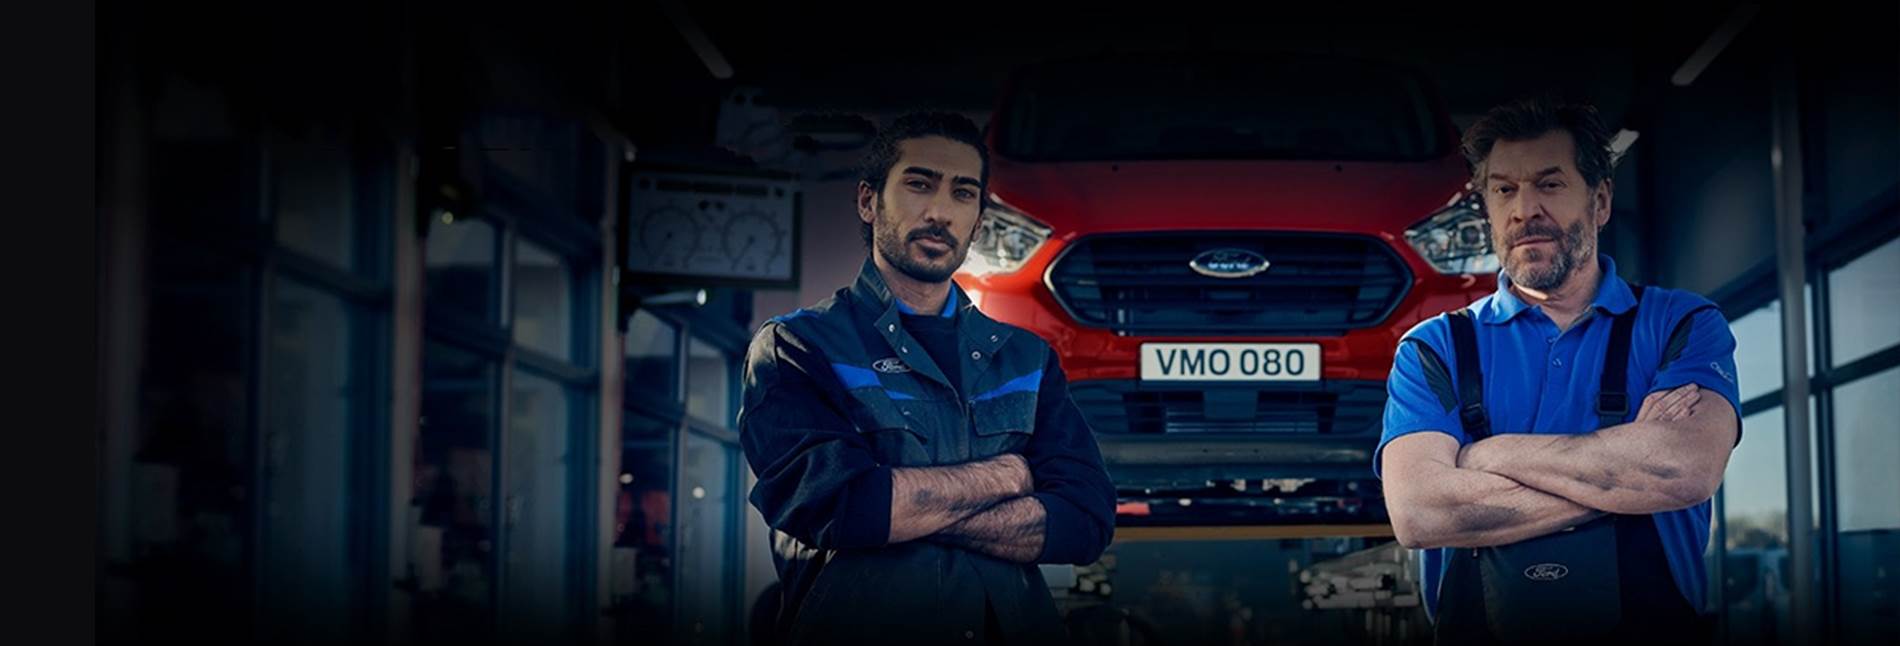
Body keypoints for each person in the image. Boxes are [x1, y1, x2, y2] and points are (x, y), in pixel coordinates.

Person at [739, 111, 1116, 645]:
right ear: (869, 202)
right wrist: (1008, 476)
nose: (940, 212)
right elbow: (837, 507)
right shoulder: (798, 348)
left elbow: (1085, 521)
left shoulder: (1027, 359)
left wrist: (906, 508)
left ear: (979, 222)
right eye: (919, 184)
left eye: (963, 194)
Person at [1376, 96, 1742, 643]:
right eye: (1504, 190)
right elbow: (1420, 514)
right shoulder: (1434, 347)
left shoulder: (1679, 323)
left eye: (1549, 184)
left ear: (1599, 201)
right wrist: (1622, 477)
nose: (1525, 210)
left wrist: (1487, 455)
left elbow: (1681, 471)